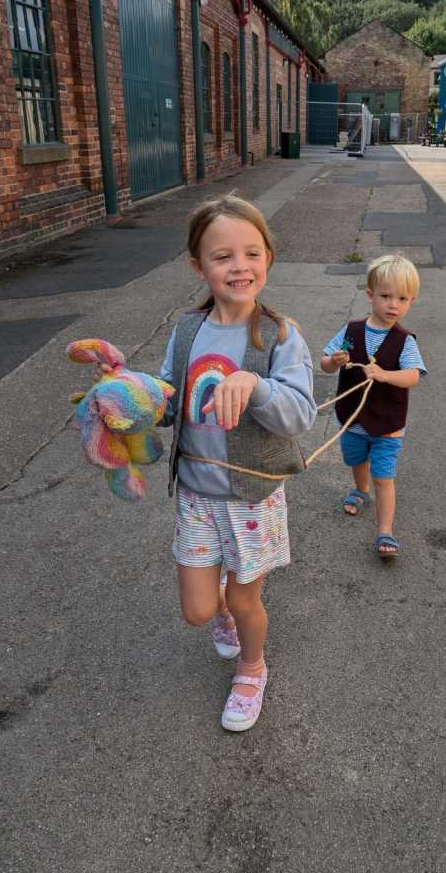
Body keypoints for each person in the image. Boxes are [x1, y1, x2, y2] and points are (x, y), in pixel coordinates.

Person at [159, 195, 316, 732]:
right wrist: (129, 398)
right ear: (198, 266)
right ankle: (222, 616)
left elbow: (299, 415)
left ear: (268, 257)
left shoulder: (279, 336)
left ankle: (252, 669)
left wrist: (256, 384)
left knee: (245, 596)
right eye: (222, 256)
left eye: (251, 253)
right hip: (196, 493)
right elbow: (167, 398)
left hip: (252, 495)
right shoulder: (185, 331)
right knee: (200, 610)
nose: (239, 266)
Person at [320, 255, 426, 558]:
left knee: (384, 476)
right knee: (356, 460)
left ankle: (385, 531)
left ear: (411, 301)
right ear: (370, 295)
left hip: (388, 425)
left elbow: (412, 377)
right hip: (352, 418)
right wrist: (334, 360)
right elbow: (325, 363)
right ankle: (359, 490)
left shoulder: (405, 341)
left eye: (403, 298)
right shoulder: (351, 331)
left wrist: (384, 374)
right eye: (386, 296)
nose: (394, 304)